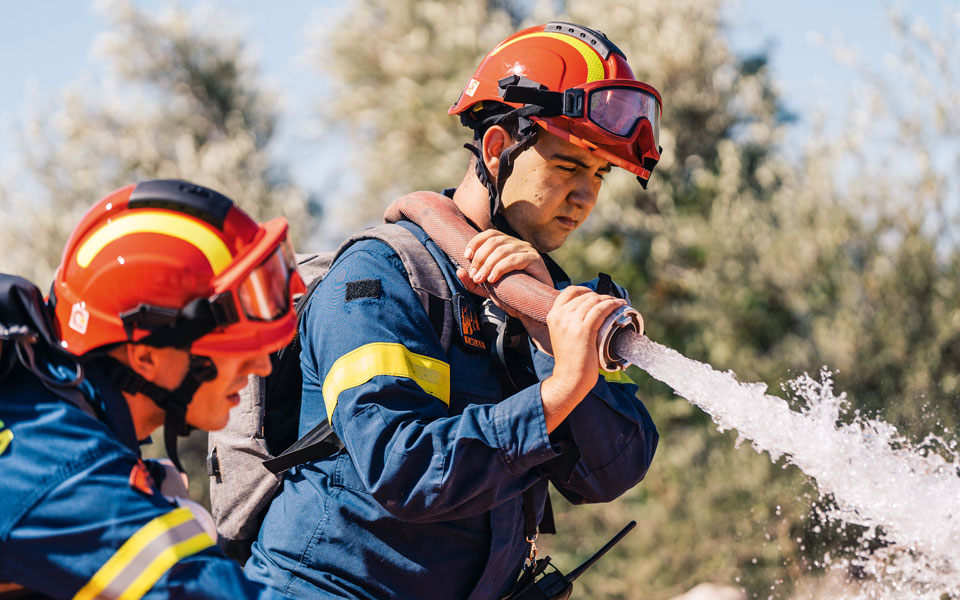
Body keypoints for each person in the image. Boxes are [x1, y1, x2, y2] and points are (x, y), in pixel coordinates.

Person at [246, 22, 661, 600]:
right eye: (568, 167)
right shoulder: (379, 278)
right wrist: (558, 390)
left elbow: (614, 470)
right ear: (497, 150)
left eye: (599, 174)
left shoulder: (546, 291)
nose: (587, 196)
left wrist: (545, 333)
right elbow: (404, 469)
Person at [0, 179, 306, 599]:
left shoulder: (45, 408)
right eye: (234, 346)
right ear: (144, 356)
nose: (262, 364)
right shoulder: (64, 471)